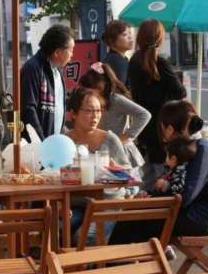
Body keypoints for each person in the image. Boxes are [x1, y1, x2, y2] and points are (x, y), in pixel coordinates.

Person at [108, 100, 208, 244]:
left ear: (170, 129)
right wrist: (149, 196)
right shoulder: (187, 148)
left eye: (162, 127)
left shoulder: (202, 149)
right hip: (187, 212)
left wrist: (152, 200)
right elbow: (174, 189)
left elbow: (185, 196)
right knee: (131, 217)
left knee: (132, 221)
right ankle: (136, 262)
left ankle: (119, 264)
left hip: (200, 218)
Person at [128, 19, 187, 189]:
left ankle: (146, 211)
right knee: (164, 177)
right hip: (163, 127)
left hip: (145, 127)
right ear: (160, 39)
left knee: (147, 177)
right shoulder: (161, 63)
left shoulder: (134, 61)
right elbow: (180, 92)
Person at [66, 88, 130, 237]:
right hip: (77, 204)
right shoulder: (65, 142)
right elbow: (55, 174)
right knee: (59, 229)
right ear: (73, 114)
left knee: (87, 236)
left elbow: (130, 177)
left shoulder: (110, 139)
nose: (95, 116)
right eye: (89, 111)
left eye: (98, 111)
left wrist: (113, 171)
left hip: (108, 204)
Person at [78, 61, 150, 171]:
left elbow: (144, 115)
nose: (87, 93)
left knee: (127, 184)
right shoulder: (92, 101)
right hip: (104, 151)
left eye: (90, 89)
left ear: (101, 86)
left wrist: (127, 136)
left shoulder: (115, 99)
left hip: (122, 151)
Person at [20, 24, 75, 140]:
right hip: (37, 146)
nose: (72, 55)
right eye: (70, 50)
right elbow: (29, 109)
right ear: (57, 52)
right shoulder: (33, 68)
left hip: (52, 143)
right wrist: (42, 141)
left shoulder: (56, 71)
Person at [101, 20, 133, 86]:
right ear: (112, 40)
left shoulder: (118, 58)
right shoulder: (117, 61)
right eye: (125, 34)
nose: (130, 37)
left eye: (130, 33)